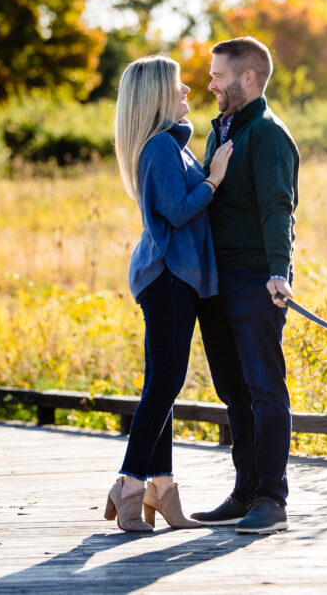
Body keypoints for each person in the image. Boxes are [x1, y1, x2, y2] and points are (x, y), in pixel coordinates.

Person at [104, 55, 234, 532]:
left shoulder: (171, 147)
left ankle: (161, 485)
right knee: (165, 383)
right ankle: (131, 483)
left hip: (174, 277)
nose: (187, 92)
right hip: (167, 277)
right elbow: (179, 212)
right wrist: (215, 180)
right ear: (158, 95)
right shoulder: (160, 147)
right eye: (178, 87)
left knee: (162, 383)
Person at [190, 37, 300, 534]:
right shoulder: (221, 130)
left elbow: (279, 207)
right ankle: (244, 491)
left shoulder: (269, 135)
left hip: (256, 280)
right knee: (233, 392)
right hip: (217, 280)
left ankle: (271, 500)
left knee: (263, 390)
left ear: (248, 77)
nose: (210, 82)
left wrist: (280, 271)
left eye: (218, 75)